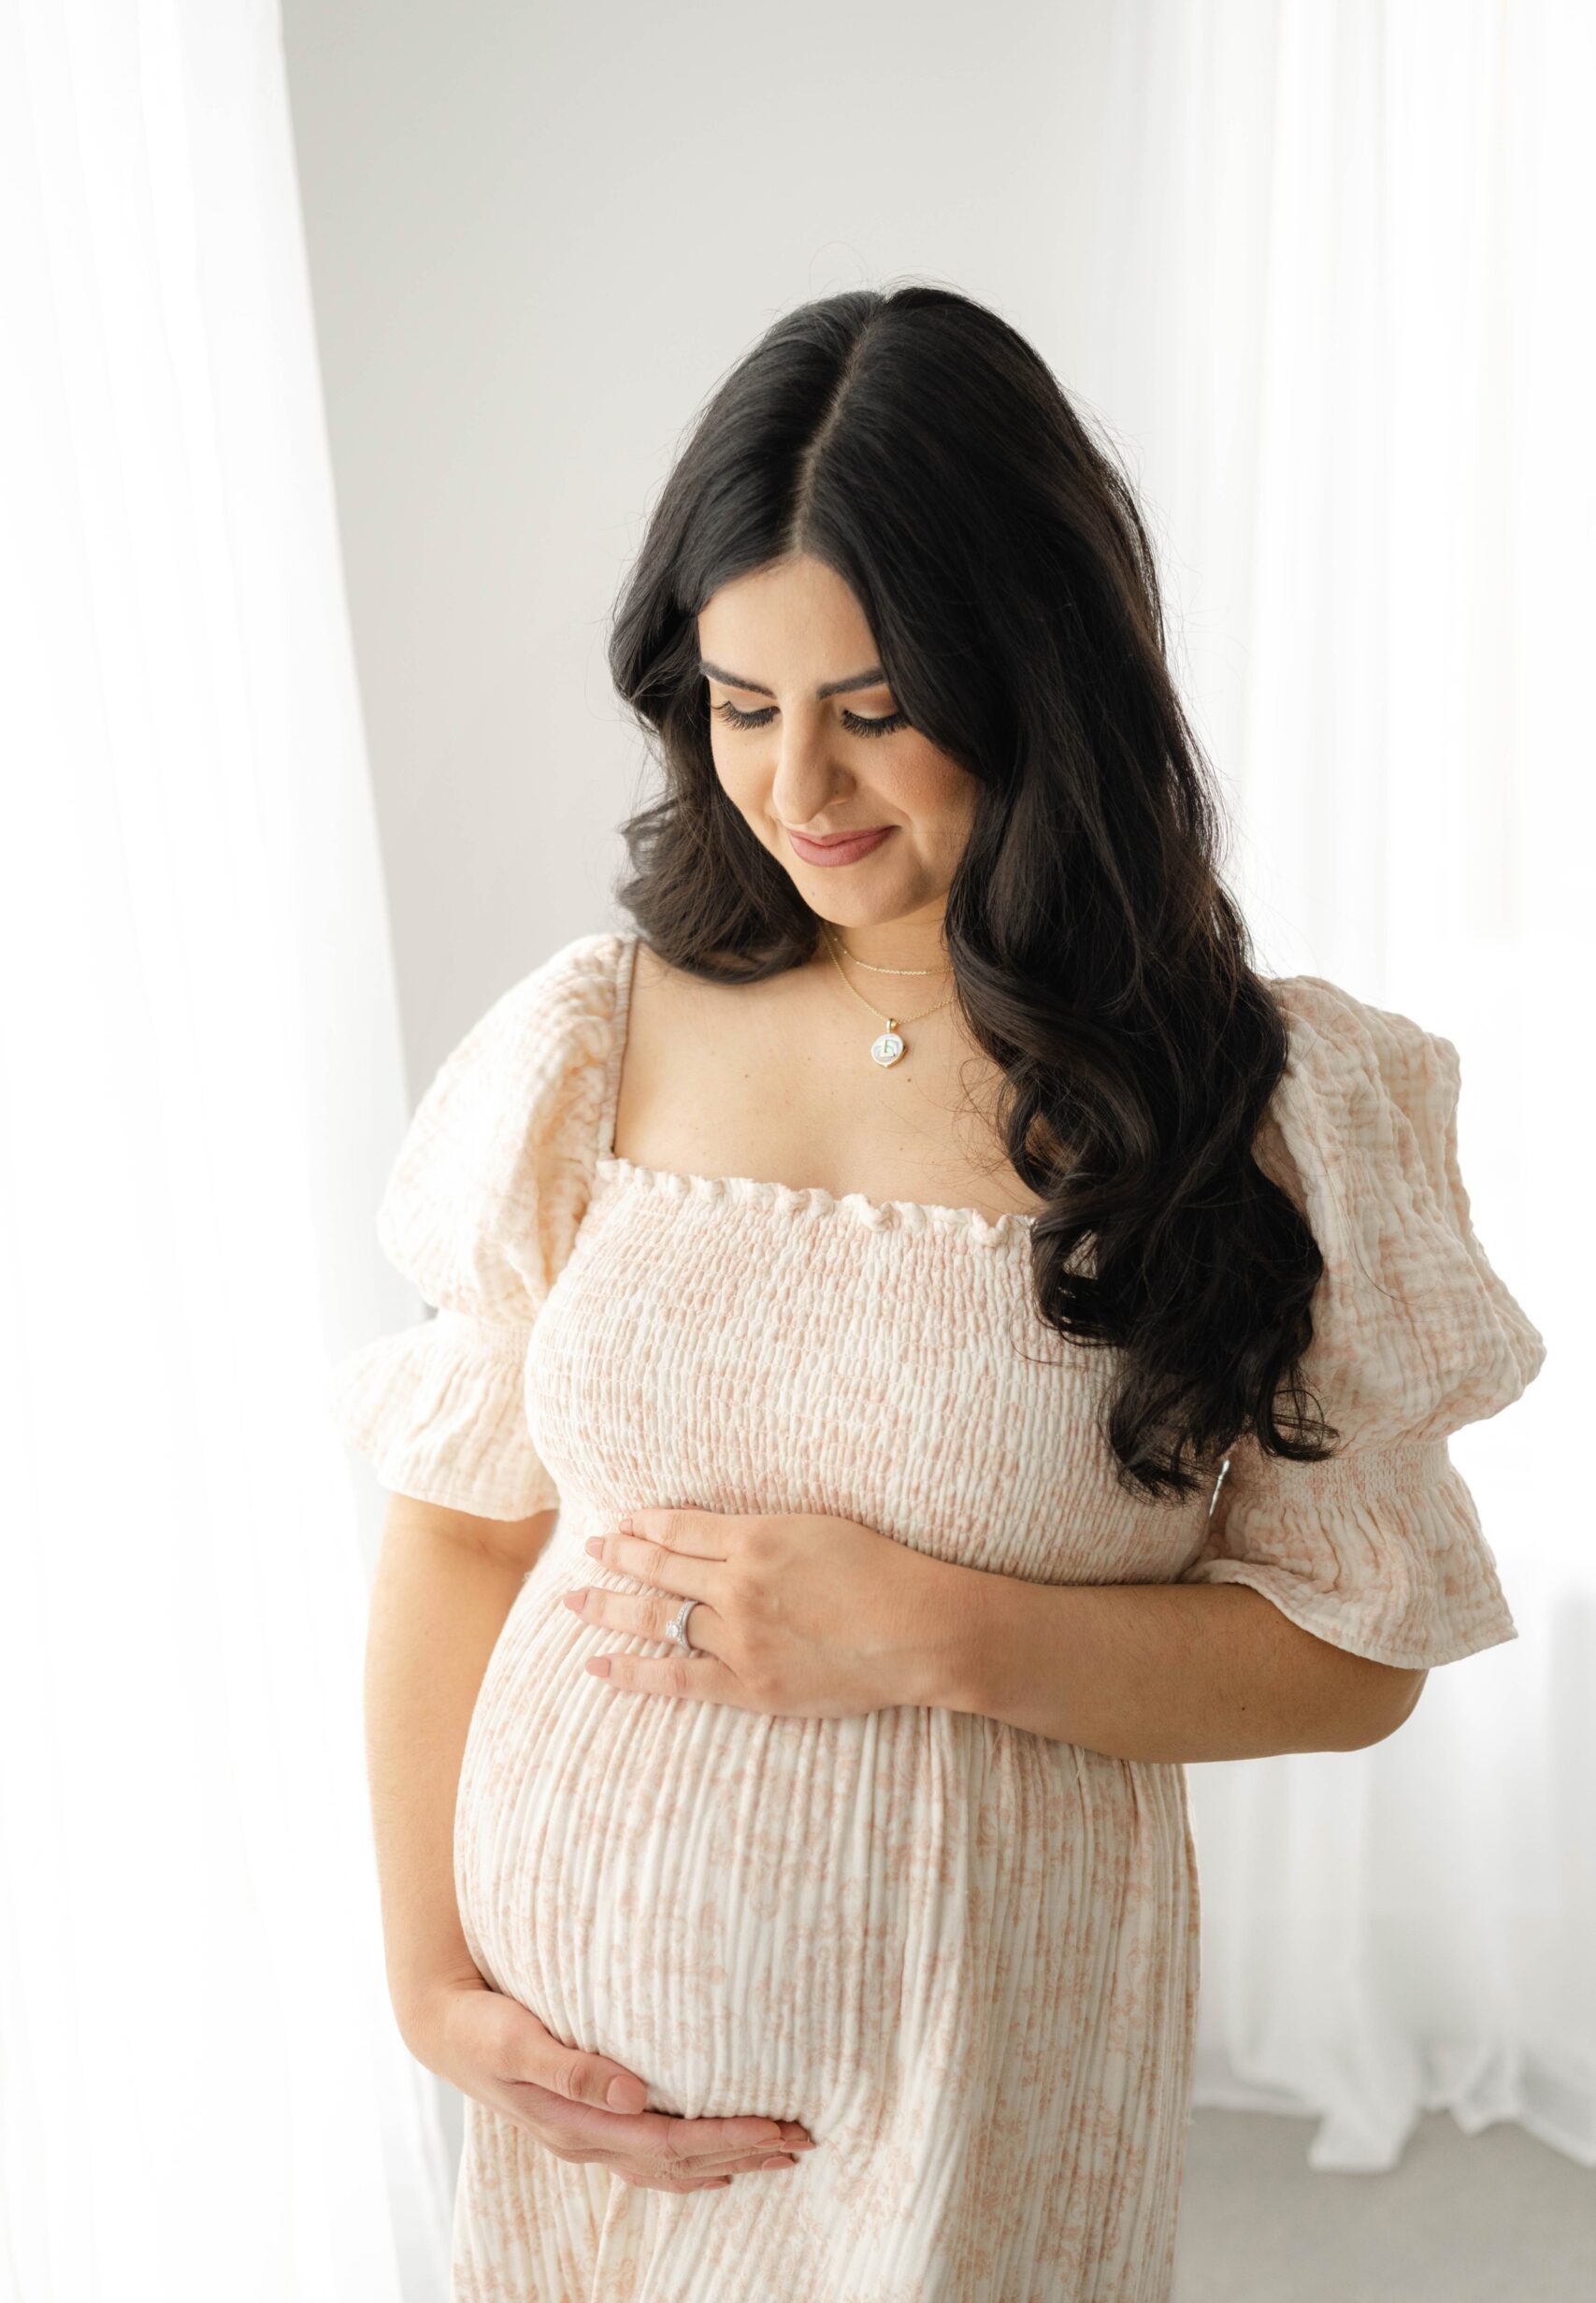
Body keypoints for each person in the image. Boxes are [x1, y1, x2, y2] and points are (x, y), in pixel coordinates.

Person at [331, 285, 1546, 2302]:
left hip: (975, 2087)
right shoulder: (584, 1042)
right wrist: (428, 1980)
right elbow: (460, 1526)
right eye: (738, 703)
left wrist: (941, 1634)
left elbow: (1356, 1654)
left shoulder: (1256, 1103)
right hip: (572, 2102)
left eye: (872, 704)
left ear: (1034, 671)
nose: (795, 783)